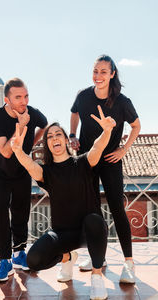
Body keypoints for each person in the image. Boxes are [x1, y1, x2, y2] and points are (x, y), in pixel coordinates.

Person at [11, 105, 116, 300]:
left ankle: (96, 277)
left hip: (89, 231)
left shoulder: (84, 163)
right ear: (47, 145)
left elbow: (97, 147)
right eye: (49, 136)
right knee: (33, 260)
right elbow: (30, 165)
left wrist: (107, 130)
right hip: (62, 234)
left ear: (66, 139)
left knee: (94, 220)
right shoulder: (47, 172)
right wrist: (18, 151)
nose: (54, 138)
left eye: (58, 134)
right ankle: (68, 257)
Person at [70, 54, 141, 283]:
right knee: (92, 211)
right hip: (88, 160)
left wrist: (124, 149)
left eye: (103, 71)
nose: (98, 76)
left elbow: (136, 126)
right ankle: (98, 257)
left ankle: (129, 264)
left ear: (112, 74)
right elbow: (74, 112)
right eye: (95, 71)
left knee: (117, 210)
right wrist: (72, 135)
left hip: (110, 160)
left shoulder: (122, 101)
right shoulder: (83, 96)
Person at [0, 77, 47, 281]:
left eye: (26, 96)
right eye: (18, 97)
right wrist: (20, 127)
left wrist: (31, 144)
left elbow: (44, 125)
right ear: (7, 99)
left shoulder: (32, 113)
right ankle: (4, 260)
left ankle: (19, 253)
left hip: (21, 171)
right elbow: (5, 152)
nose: (23, 101)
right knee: (1, 211)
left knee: (21, 209)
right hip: (0, 173)